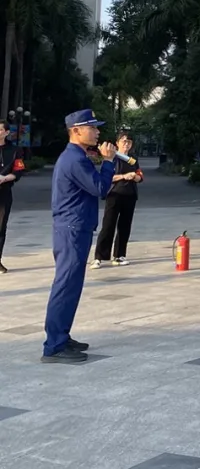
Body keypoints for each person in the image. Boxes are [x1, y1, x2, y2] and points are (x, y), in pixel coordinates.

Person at [43, 110, 116, 363]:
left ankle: (61, 336)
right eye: (92, 128)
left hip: (75, 228)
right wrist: (108, 162)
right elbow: (100, 188)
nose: (97, 132)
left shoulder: (76, 156)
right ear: (76, 131)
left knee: (71, 286)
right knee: (66, 286)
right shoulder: (74, 159)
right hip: (72, 229)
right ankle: (54, 345)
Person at [92, 132, 143, 268]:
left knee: (125, 227)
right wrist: (123, 176)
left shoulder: (132, 159)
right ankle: (99, 257)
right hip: (114, 195)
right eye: (124, 141)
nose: (126, 144)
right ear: (117, 143)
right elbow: (106, 177)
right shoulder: (112, 157)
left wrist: (135, 177)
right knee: (108, 225)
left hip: (130, 195)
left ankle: (119, 255)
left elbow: (140, 176)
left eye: (129, 142)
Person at [0, 121, 24, 274]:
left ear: (6, 132)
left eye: (0, 130)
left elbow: (18, 171)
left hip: (3, 191)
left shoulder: (15, 150)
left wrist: (4, 178)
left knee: (1, 227)